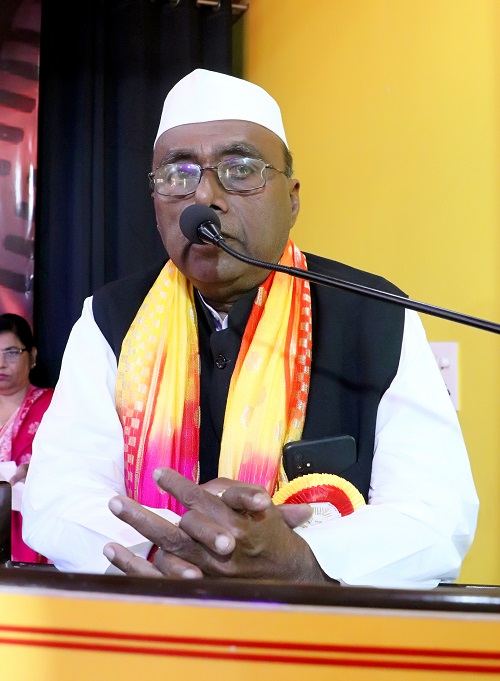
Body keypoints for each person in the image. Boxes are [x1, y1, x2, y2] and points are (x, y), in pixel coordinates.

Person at [22, 69, 479, 588]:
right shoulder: (109, 318)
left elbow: (436, 515)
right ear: (155, 203)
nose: (205, 196)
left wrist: (303, 558)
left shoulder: (375, 315)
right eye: (178, 174)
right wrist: (170, 545)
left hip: (322, 631)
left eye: (240, 170)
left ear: (293, 198)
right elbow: (58, 495)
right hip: (154, 621)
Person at [0, 313, 53, 562]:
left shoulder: (55, 406)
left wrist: (38, 471)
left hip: (34, 530)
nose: (1, 363)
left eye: (11, 352)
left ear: (31, 356)